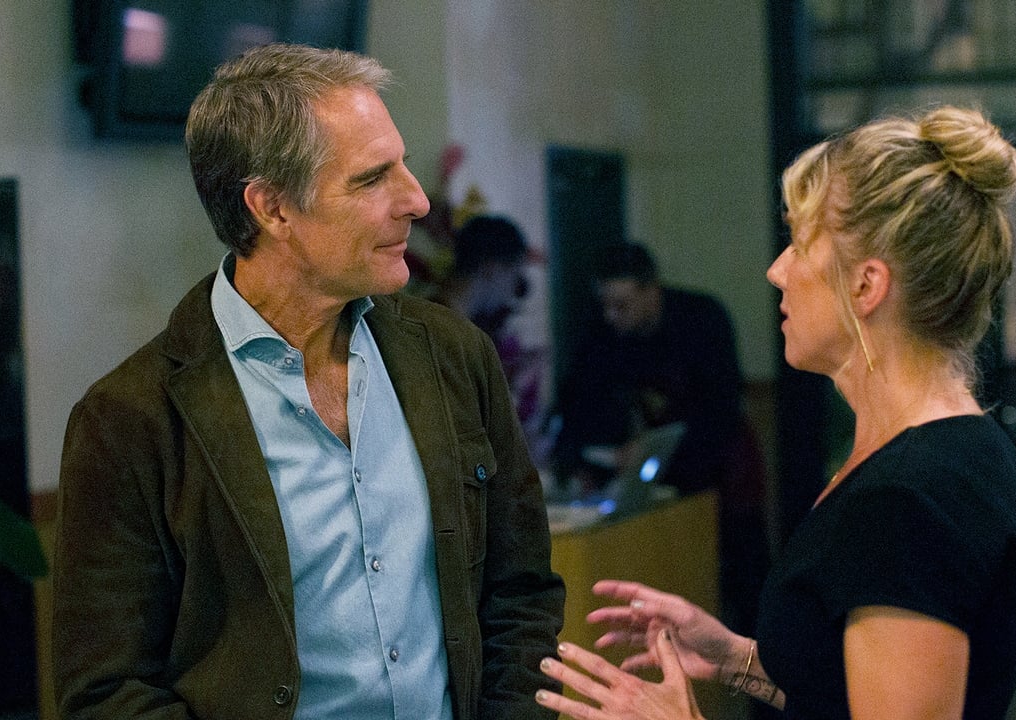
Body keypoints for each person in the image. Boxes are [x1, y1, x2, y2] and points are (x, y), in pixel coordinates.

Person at [52, 43, 565, 720]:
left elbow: (520, 593)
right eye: (371, 179)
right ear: (272, 208)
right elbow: (106, 691)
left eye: (404, 165)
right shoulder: (130, 418)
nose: (415, 200)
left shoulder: (454, 355)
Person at [534, 106, 1016, 720]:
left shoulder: (913, 496)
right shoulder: (934, 454)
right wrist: (738, 658)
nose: (777, 271)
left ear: (866, 286)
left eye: (800, 244)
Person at [550, 241, 771, 640]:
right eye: (606, 305)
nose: (611, 316)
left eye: (622, 305)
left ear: (651, 290)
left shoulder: (702, 319)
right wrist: (577, 463)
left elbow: (721, 410)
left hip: (720, 469)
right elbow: (577, 400)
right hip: (652, 479)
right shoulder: (604, 332)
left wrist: (662, 452)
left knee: (745, 582)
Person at [439, 215, 552, 463]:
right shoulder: (441, 333)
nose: (513, 295)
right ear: (492, 269)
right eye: (515, 279)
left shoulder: (470, 330)